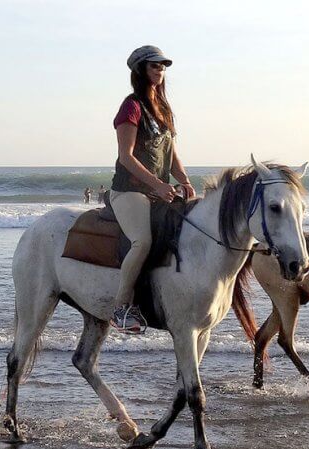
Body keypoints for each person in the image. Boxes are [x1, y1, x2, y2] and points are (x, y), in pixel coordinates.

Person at [107, 45, 195, 334]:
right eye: (154, 66)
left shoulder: (164, 109)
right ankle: (121, 309)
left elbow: (171, 155)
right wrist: (158, 184)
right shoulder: (131, 106)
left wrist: (184, 180)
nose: (160, 70)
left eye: (163, 66)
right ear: (141, 70)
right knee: (141, 242)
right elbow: (126, 156)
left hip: (157, 191)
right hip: (129, 191)